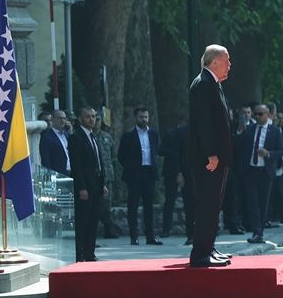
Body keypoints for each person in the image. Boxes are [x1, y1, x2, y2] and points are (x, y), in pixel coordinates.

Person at [187, 45, 234, 268]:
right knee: (207, 204)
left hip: (220, 158)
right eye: (227, 60)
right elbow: (204, 124)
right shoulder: (203, 84)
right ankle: (200, 254)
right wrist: (211, 154)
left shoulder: (214, 84)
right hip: (210, 159)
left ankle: (209, 247)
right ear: (214, 61)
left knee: (214, 205)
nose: (230, 65)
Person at [237, 104, 283, 244]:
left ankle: (260, 232)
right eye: (255, 114)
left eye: (260, 114)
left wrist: (268, 154)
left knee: (263, 203)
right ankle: (256, 231)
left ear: (267, 114)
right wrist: (239, 132)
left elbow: (280, 152)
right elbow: (238, 146)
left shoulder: (274, 131)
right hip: (251, 170)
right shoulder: (249, 129)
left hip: (265, 171)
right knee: (252, 202)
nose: (257, 116)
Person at [117, 107, 162, 245]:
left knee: (149, 206)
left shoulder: (153, 134)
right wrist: (131, 167)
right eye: (141, 117)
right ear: (136, 118)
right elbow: (121, 156)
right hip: (135, 174)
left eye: (146, 117)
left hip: (149, 172)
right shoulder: (128, 135)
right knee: (133, 206)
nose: (144, 119)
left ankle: (150, 236)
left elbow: (156, 151)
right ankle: (133, 236)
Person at [68, 107, 106, 262]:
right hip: (85, 187)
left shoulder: (93, 136)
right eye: (88, 117)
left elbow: (98, 162)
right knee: (82, 221)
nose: (92, 119)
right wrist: (82, 187)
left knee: (93, 221)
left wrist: (102, 183)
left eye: (93, 116)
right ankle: (79, 253)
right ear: (80, 118)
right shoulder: (76, 137)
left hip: (96, 185)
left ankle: (90, 252)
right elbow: (77, 165)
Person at [160, 119, 192, 242]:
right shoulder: (170, 134)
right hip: (170, 171)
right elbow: (161, 150)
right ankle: (166, 229)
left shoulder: (189, 135)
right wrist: (174, 153)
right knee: (170, 201)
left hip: (185, 171)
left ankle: (190, 231)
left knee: (189, 201)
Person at [38, 108, 71, 176]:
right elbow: (46, 160)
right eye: (59, 118)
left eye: (64, 118)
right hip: (58, 174)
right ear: (52, 119)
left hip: (71, 173)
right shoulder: (46, 137)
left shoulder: (66, 135)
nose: (62, 121)